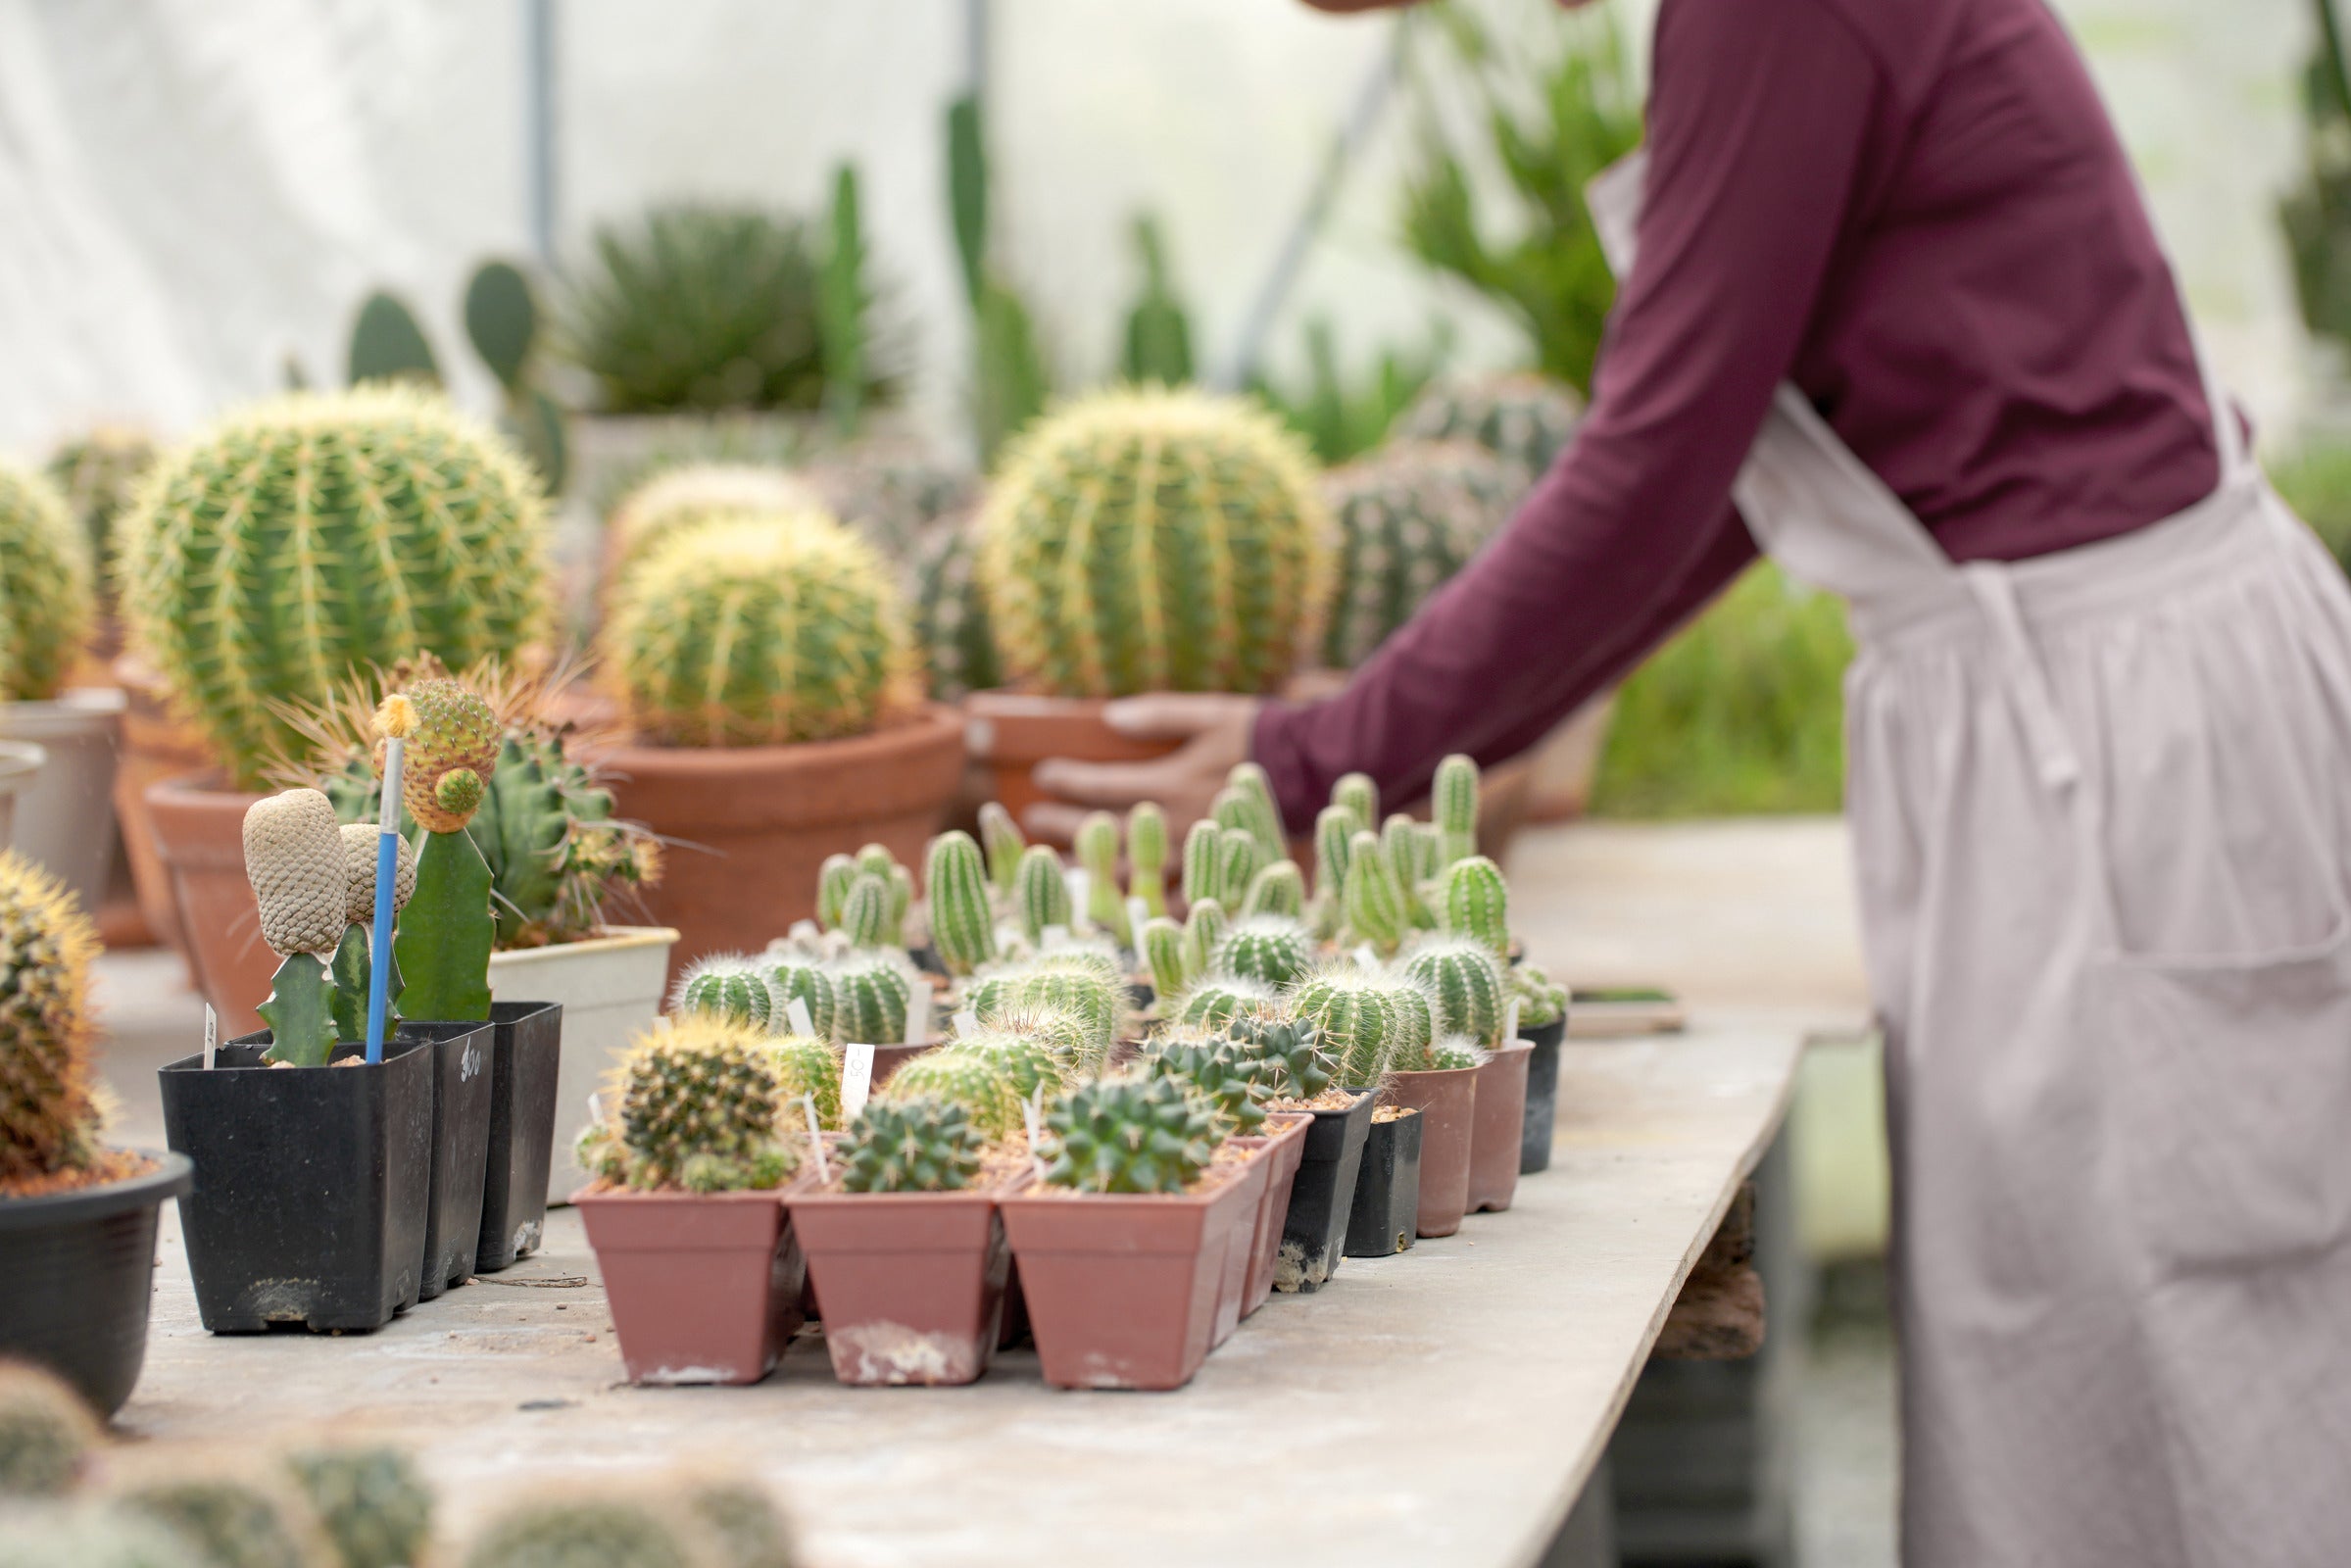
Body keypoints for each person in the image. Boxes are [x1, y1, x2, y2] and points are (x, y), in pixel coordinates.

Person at [1004, 0, 2351, 1562]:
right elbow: (1721, 459)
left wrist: (1309, 756)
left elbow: (1655, 469)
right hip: (2081, 713)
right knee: (2092, 1348)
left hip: (2115, 735)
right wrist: (1360, 747)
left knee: (2186, 1356)